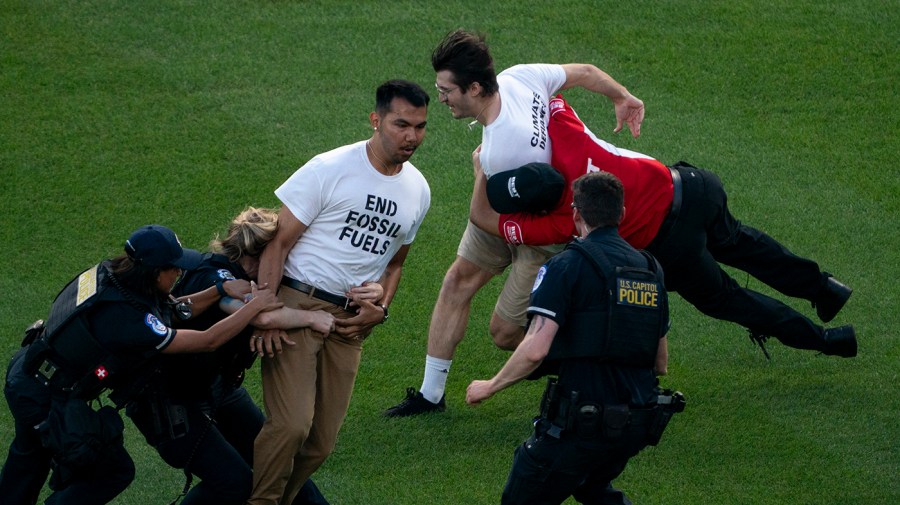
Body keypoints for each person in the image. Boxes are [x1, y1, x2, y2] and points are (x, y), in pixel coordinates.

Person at [385, 28, 647, 417]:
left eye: (446, 91)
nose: (440, 99)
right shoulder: (519, 75)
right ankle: (430, 394)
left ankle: (599, 364)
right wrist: (621, 96)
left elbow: (482, 215)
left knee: (506, 332)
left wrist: (478, 172)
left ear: (473, 88)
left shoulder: (499, 150)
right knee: (458, 279)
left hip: (539, 230)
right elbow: (586, 71)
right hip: (512, 203)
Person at [471, 95, 856, 358]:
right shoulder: (564, 133)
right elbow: (556, 88)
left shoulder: (559, 221)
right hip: (694, 187)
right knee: (741, 242)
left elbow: (483, 220)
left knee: (729, 298)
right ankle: (824, 287)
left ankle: (826, 341)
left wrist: (479, 173)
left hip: (673, 246)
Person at [0, 224, 281, 505]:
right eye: (174, 268)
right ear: (156, 272)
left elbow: (174, 310)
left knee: (28, 459)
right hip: (41, 395)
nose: (180, 273)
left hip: (30, 371)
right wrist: (253, 307)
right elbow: (207, 340)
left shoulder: (113, 275)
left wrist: (219, 288)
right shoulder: (129, 319)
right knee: (111, 470)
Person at [249, 79, 431, 505]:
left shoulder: (418, 190)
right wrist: (265, 311)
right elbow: (278, 243)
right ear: (376, 120)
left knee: (320, 443)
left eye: (420, 127)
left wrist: (381, 309)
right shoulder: (329, 168)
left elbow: (395, 262)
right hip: (296, 303)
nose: (411, 136)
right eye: (401, 124)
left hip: (351, 322)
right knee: (292, 424)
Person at [466, 171, 684, 505]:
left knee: (525, 493)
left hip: (584, 424)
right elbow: (660, 363)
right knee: (592, 487)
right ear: (621, 214)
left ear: (577, 214)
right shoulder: (650, 270)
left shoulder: (565, 266)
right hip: (635, 424)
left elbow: (536, 349)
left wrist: (490, 385)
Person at [126, 208, 338, 505]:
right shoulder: (219, 277)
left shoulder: (228, 272)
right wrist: (313, 318)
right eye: (279, 255)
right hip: (174, 400)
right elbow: (260, 315)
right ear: (258, 257)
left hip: (219, 388)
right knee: (234, 484)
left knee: (274, 462)